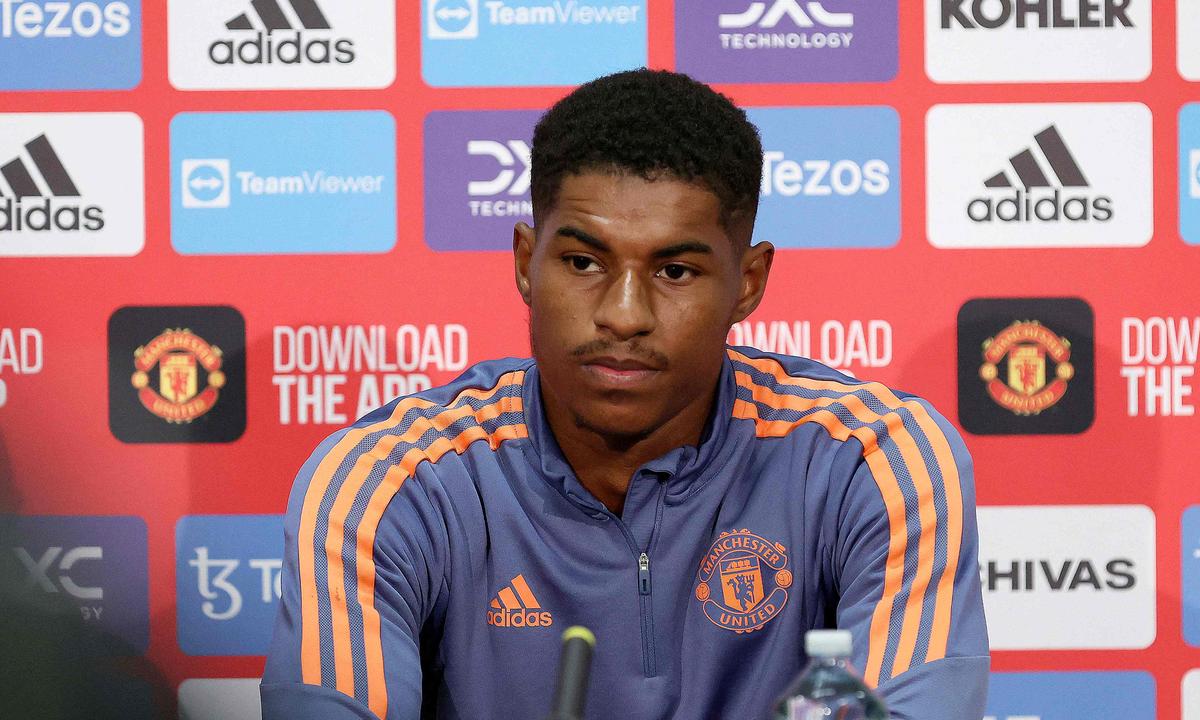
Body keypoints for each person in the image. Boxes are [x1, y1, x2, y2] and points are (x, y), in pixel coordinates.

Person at [261, 68, 989, 719]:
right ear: (525, 261)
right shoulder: (387, 481)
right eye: (582, 261)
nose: (624, 314)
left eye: (675, 272)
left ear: (749, 284)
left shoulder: (870, 457)